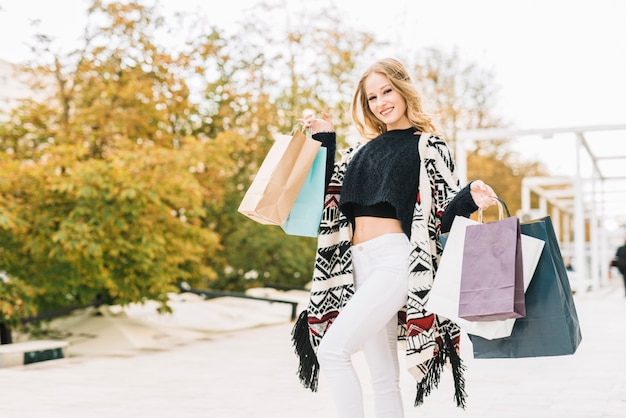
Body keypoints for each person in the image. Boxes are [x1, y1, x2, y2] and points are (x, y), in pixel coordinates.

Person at [291, 57, 498, 417]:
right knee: (383, 377)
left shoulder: (427, 145)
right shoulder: (360, 151)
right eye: (372, 97)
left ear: (404, 90)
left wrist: (469, 198)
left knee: (333, 351)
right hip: (356, 264)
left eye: (387, 91)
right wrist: (324, 136)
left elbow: (441, 216)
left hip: (394, 260)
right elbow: (330, 198)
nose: (381, 102)